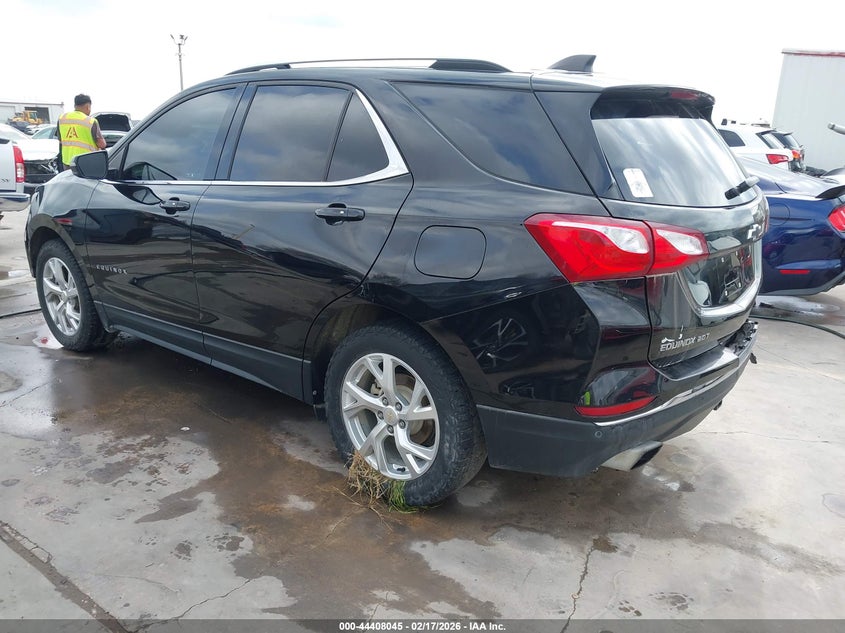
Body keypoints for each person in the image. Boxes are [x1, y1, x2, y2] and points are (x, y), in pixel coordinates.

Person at [57, 94, 106, 170]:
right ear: (88, 106)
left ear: (75, 105)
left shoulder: (62, 118)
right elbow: (102, 144)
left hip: (67, 162)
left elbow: (60, 140)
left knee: (69, 181)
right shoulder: (90, 121)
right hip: (86, 163)